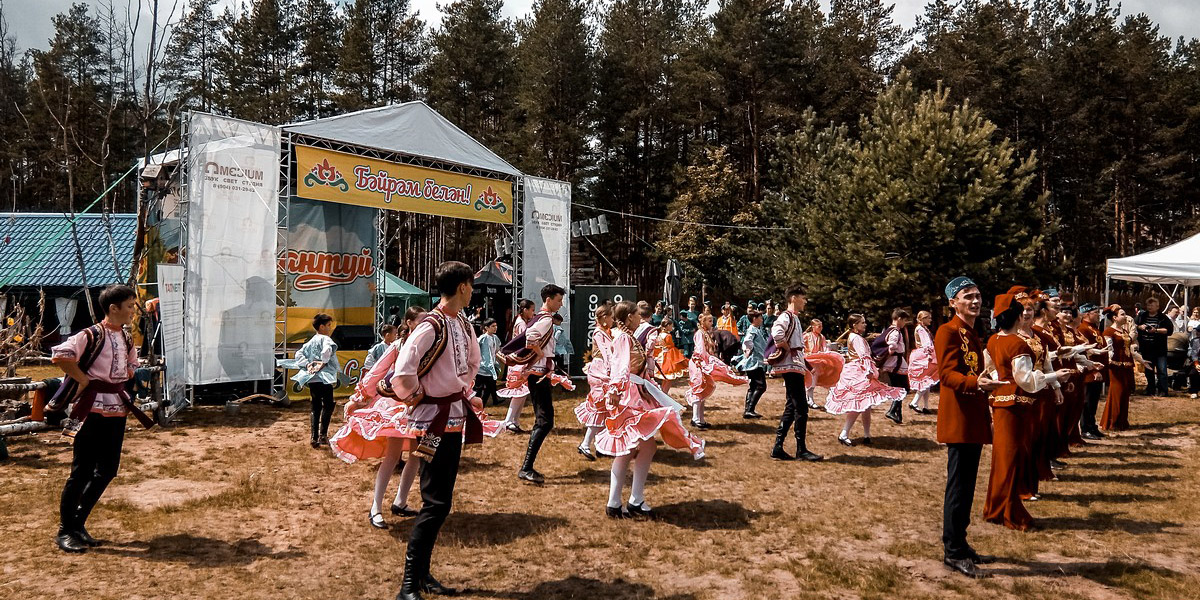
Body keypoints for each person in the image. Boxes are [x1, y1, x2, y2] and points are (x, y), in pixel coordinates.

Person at [392, 261, 486, 600]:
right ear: (462, 286)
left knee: (440, 499)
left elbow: (470, 363)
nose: (473, 290)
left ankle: (422, 576)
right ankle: (408, 584)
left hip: (452, 419)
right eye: (471, 284)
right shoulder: (430, 324)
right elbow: (402, 371)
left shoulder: (461, 322)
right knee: (435, 501)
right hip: (432, 422)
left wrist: (466, 393)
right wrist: (417, 394)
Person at [49, 285, 155, 553]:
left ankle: (78, 523)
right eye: (130, 306)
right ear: (113, 308)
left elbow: (132, 366)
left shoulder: (127, 338)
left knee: (108, 469)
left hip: (117, 408)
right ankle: (65, 529)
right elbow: (61, 355)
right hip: (89, 409)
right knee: (81, 470)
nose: (133, 311)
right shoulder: (91, 334)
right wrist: (84, 379)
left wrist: (127, 374)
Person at [597, 300, 705, 519]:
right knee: (628, 449)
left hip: (636, 393)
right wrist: (616, 392)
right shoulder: (624, 338)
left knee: (644, 448)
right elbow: (619, 367)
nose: (641, 318)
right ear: (629, 317)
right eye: (637, 314)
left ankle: (631, 500)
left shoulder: (628, 336)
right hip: (629, 397)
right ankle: (617, 502)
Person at [982, 292, 1073, 532]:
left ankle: (995, 506)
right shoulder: (1017, 343)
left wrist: (1000, 382)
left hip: (1001, 401)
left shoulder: (993, 341)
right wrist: (1055, 377)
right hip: (1017, 403)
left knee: (1003, 457)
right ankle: (1009, 511)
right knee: (1012, 457)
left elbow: (991, 370)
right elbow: (1026, 380)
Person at [332, 307, 428, 528]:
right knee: (393, 456)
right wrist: (359, 397)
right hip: (397, 405)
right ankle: (376, 507)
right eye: (421, 320)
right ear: (409, 322)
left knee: (416, 455)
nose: (425, 324)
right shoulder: (398, 345)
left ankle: (400, 502)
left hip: (418, 406)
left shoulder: (428, 344)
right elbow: (377, 370)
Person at [935, 277, 1003, 578]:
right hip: (959, 417)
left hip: (973, 414)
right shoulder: (947, 331)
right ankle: (953, 551)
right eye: (967, 297)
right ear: (953, 302)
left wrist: (985, 381)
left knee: (967, 484)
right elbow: (948, 375)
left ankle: (961, 543)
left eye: (977, 295)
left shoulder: (972, 332)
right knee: (959, 486)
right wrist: (976, 382)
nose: (975, 301)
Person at [826, 314, 907, 446]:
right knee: (858, 403)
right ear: (854, 325)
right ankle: (844, 433)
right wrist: (870, 371)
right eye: (862, 323)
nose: (865, 324)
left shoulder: (855, 337)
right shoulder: (856, 338)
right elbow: (864, 357)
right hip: (858, 372)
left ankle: (867, 435)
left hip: (858, 370)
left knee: (866, 405)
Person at [517, 284, 568, 484]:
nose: (560, 304)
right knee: (545, 421)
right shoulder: (546, 319)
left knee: (544, 420)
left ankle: (527, 466)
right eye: (558, 300)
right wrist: (540, 356)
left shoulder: (540, 318)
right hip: (538, 374)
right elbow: (530, 339)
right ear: (548, 299)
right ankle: (526, 467)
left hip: (539, 373)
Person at [769, 284, 822, 462]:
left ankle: (778, 446)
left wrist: (806, 364)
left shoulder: (795, 319)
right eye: (803, 297)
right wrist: (786, 348)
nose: (805, 301)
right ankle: (801, 450)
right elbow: (777, 333)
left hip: (795, 365)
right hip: (790, 366)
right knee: (801, 407)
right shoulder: (787, 316)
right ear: (793, 298)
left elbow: (797, 348)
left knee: (792, 407)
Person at [687, 313, 749, 429]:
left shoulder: (706, 334)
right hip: (698, 363)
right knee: (698, 389)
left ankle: (700, 419)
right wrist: (706, 362)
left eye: (711, 320)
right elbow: (700, 350)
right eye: (709, 321)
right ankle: (695, 419)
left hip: (703, 362)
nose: (712, 323)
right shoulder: (700, 333)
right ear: (703, 322)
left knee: (703, 390)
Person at [292, 313, 340, 449]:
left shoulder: (311, 341)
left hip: (312, 379)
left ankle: (314, 437)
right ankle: (323, 435)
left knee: (316, 406)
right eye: (328, 325)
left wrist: (307, 364)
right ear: (321, 326)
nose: (330, 328)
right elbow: (327, 350)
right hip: (324, 379)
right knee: (328, 404)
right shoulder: (325, 339)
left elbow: (298, 354)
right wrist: (323, 363)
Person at [575, 304, 615, 461]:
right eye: (611, 317)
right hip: (600, 372)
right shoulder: (600, 333)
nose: (613, 320)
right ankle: (585, 444)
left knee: (603, 409)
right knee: (599, 408)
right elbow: (607, 354)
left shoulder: (603, 332)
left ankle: (599, 445)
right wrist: (612, 370)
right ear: (604, 317)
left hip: (600, 371)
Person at [498, 299, 536, 433]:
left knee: (522, 393)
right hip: (519, 362)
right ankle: (509, 420)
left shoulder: (520, 322)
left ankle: (514, 420)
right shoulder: (521, 324)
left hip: (520, 361)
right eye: (532, 310)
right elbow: (525, 342)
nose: (533, 313)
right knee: (518, 393)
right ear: (525, 310)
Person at [1101, 305, 1138, 432]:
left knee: (1125, 393)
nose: (1125, 316)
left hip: (1126, 365)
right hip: (1115, 366)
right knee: (1117, 392)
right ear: (1115, 318)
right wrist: (1110, 362)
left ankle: (1122, 421)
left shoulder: (1124, 331)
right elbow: (1108, 350)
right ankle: (1112, 421)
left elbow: (1128, 348)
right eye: (1122, 314)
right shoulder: (1108, 332)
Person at [1076, 304, 1110, 440]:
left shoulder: (1094, 328)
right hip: (1090, 372)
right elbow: (1086, 351)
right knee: (1087, 400)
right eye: (1095, 312)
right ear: (1086, 314)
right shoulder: (1083, 329)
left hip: (1099, 370)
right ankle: (1085, 428)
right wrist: (1094, 370)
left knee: (1094, 400)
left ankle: (1092, 426)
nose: (1098, 315)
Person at [1135, 297, 1174, 397]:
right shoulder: (1142, 316)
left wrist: (1156, 330)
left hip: (1159, 349)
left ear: (1157, 307)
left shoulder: (1163, 317)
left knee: (1162, 370)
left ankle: (1163, 390)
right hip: (1146, 348)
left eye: (1152, 305)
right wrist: (1140, 327)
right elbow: (1134, 325)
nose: (1149, 307)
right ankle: (1150, 389)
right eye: (1148, 305)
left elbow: (1169, 331)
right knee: (1149, 370)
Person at [879, 308, 912, 425]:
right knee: (904, 388)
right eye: (904, 320)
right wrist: (891, 353)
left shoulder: (889, 330)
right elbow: (892, 346)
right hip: (895, 363)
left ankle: (898, 414)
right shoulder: (895, 332)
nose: (904, 323)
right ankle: (892, 411)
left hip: (893, 363)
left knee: (898, 388)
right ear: (899, 319)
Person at [736, 310, 768, 419]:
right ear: (754, 319)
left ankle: (749, 410)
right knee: (761, 386)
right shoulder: (752, 330)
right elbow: (747, 341)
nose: (762, 319)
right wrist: (748, 350)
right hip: (754, 363)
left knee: (754, 386)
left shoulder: (755, 330)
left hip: (756, 362)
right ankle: (749, 409)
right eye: (760, 317)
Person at [907, 311, 939, 414]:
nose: (930, 320)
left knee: (928, 380)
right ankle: (914, 402)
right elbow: (927, 344)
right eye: (928, 318)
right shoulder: (920, 329)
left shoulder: (923, 328)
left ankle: (925, 406)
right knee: (925, 380)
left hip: (924, 354)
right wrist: (931, 355)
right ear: (923, 319)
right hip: (924, 355)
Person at [652, 318, 688, 392]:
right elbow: (671, 346)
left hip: (661, 355)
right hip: (668, 356)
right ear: (667, 326)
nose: (672, 327)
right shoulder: (668, 335)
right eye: (671, 326)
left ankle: (662, 392)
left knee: (665, 377)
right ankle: (665, 393)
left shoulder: (659, 335)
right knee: (669, 377)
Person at [802, 319, 829, 409]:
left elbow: (824, 348)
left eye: (821, 326)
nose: (821, 328)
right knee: (808, 380)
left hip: (817, 361)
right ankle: (807, 399)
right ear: (813, 327)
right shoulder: (807, 336)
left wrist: (826, 354)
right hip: (808, 361)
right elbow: (800, 344)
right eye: (819, 326)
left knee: (813, 381)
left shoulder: (821, 337)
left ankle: (810, 399)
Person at [475, 319, 501, 407]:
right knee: (479, 388)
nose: (495, 328)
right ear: (486, 328)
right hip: (482, 368)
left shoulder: (495, 338)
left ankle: (483, 404)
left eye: (496, 326)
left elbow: (497, 350)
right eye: (493, 326)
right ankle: (476, 406)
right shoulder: (482, 338)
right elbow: (475, 349)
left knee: (490, 388)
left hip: (491, 368)